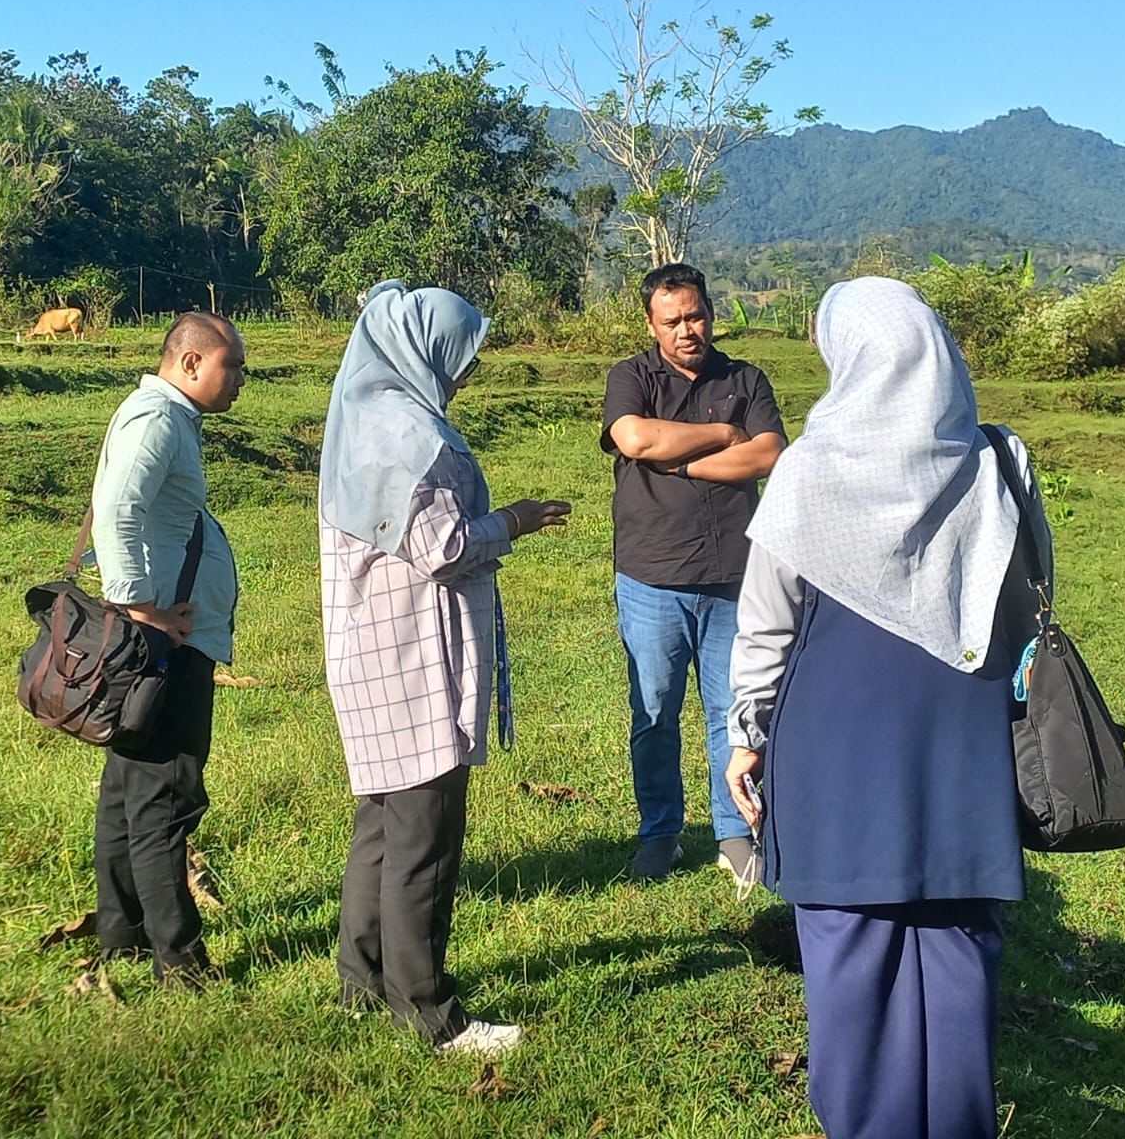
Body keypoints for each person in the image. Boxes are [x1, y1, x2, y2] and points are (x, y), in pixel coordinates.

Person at [724, 277, 1054, 1138]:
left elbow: (765, 632)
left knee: (847, 967)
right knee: (958, 964)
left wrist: (746, 737)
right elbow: (1032, 600)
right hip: (964, 748)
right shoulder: (998, 461)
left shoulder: (808, 470)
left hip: (834, 751)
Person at [319, 281, 570, 1056]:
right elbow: (443, 548)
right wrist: (515, 522)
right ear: (423, 350)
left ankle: (362, 984)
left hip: (371, 651)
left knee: (383, 828)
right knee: (425, 837)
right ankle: (430, 1014)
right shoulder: (404, 432)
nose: (466, 374)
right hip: (411, 658)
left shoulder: (366, 413)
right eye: (460, 357)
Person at [601, 262, 787, 884]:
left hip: (735, 578)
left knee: (732, 713)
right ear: (652, 325)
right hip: (653, 578)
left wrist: (685, 466)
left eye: (697, 315)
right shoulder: (631, 377)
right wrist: (719, 434)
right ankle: (660, 832)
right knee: (653, 712)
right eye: (673, 320)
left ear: (711, 313)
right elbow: (636, 439)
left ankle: (735, 832)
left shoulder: (746, 377)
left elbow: (767, 455)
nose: (688, 330)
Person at [89, 311, 246, 984]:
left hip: (162, 637)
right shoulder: (156, 419)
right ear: (189, 363)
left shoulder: (165, 417)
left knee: (129, 789)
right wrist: (138, 604)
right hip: (163, 644)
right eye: (230, 366)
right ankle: (176, 956)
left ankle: (119, 930)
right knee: (167, 793)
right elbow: (117, 506)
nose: (239, 380)